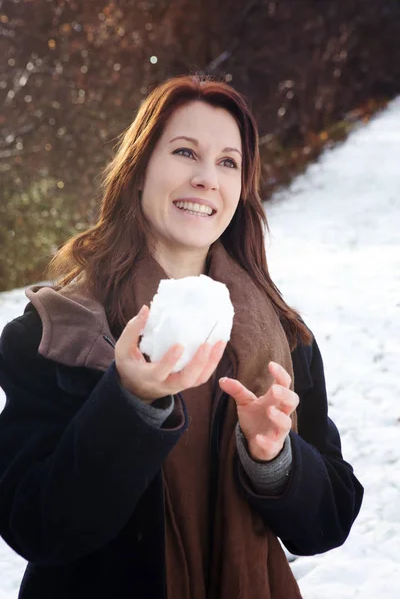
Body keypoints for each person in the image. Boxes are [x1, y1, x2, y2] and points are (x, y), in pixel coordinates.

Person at [0, 74, 363, 599]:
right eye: (185, 152)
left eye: (228, 162)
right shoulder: (56, 331)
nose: (206, 179)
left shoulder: (284, 338)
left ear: (241, 190)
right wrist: (130, 405)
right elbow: (35, 525)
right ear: (140, 169)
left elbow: (328, 522)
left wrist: (274, 458)